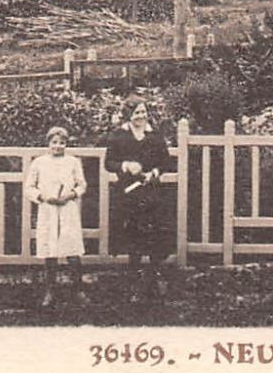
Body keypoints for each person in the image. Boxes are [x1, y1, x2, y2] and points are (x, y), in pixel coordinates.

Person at [103, 99, 174, 296]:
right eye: (136, 113)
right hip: (128, 192)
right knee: (133, 234)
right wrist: (125, 165)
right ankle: (134, 278)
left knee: (155, 233)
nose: (141, 116)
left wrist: (156, 172)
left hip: (151, 191)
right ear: (128, 115)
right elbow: (109, 163)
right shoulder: (119, 135)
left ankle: (153, 275)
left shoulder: (154, 135)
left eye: (143, 112)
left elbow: (166, 161)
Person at [25, 126, 86, 307]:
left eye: (62, 143)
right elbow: (29, 187)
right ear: (48, 143)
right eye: (54, 142)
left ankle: (78, 290)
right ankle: (50, 290)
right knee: (50, 250)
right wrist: (43, 197)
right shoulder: (39, 162)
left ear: (66, 144)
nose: (58, 146)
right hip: (48, 209)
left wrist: (70, 195)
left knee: (72, 249)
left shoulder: (73, 162)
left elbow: (82, 185)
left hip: (67, 208)